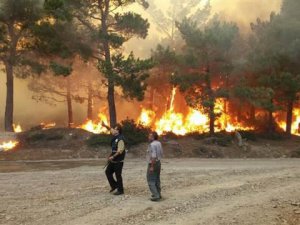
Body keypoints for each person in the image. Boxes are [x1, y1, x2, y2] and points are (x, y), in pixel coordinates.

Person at [105, 124, 126, 195]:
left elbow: (120, 151)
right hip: (113, 160)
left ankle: (120, 190)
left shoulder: (120, 139)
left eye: (116, 129)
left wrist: (113, 156)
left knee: (118, 175)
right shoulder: (115, 138)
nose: (114, 130)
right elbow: (110, 129)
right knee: (107, 172)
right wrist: (105, 125)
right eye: (114, 129)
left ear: (118, 131)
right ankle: (114, 185)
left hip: (118, 161)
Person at [147, 131, 163, 201]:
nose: (148, 137)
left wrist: (152, 166)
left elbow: (153, 156)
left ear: (153, 137)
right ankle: (158, 194)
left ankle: (156, 195)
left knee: (150, 180)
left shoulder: (152, 145)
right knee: (157, 179)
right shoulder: (159, 143)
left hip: (153, 163)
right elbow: (161, 153)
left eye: (150, 136)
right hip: (158, 162)